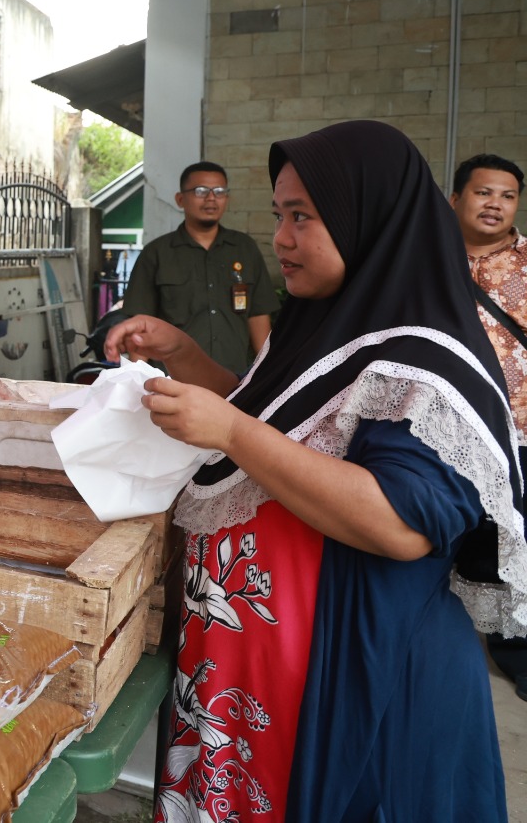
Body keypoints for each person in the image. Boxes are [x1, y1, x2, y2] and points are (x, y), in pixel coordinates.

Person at [106, 121, 524, 821]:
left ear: (369, 220)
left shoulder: (424, 358)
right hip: (262, 679)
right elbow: (281, 420)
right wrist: (183, 354)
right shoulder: (325, 322)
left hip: (360, 682)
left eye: (303, 217)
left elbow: (401, 524)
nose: (281, 237)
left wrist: (232, 432)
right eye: (278, 215)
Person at [451, 153, 527, 697]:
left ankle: (515, 651)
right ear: (456, 198)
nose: (495, 204)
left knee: (514, 539)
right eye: (483, 193)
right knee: (445, 533)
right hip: (446, 427)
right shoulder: (427, 261)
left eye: (506, 195)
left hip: (519, 432)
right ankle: (442, 644)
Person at [121, 161, 278, 377]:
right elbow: (141, 326)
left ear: (227, 198)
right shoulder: (157, 253)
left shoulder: (244, 248)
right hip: (173, 381)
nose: (211, 198)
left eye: (220, 191)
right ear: (180, 199)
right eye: (201, 190)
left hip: (234, 381)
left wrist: (266, 373)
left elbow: (258, 316)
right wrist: (135, 379)